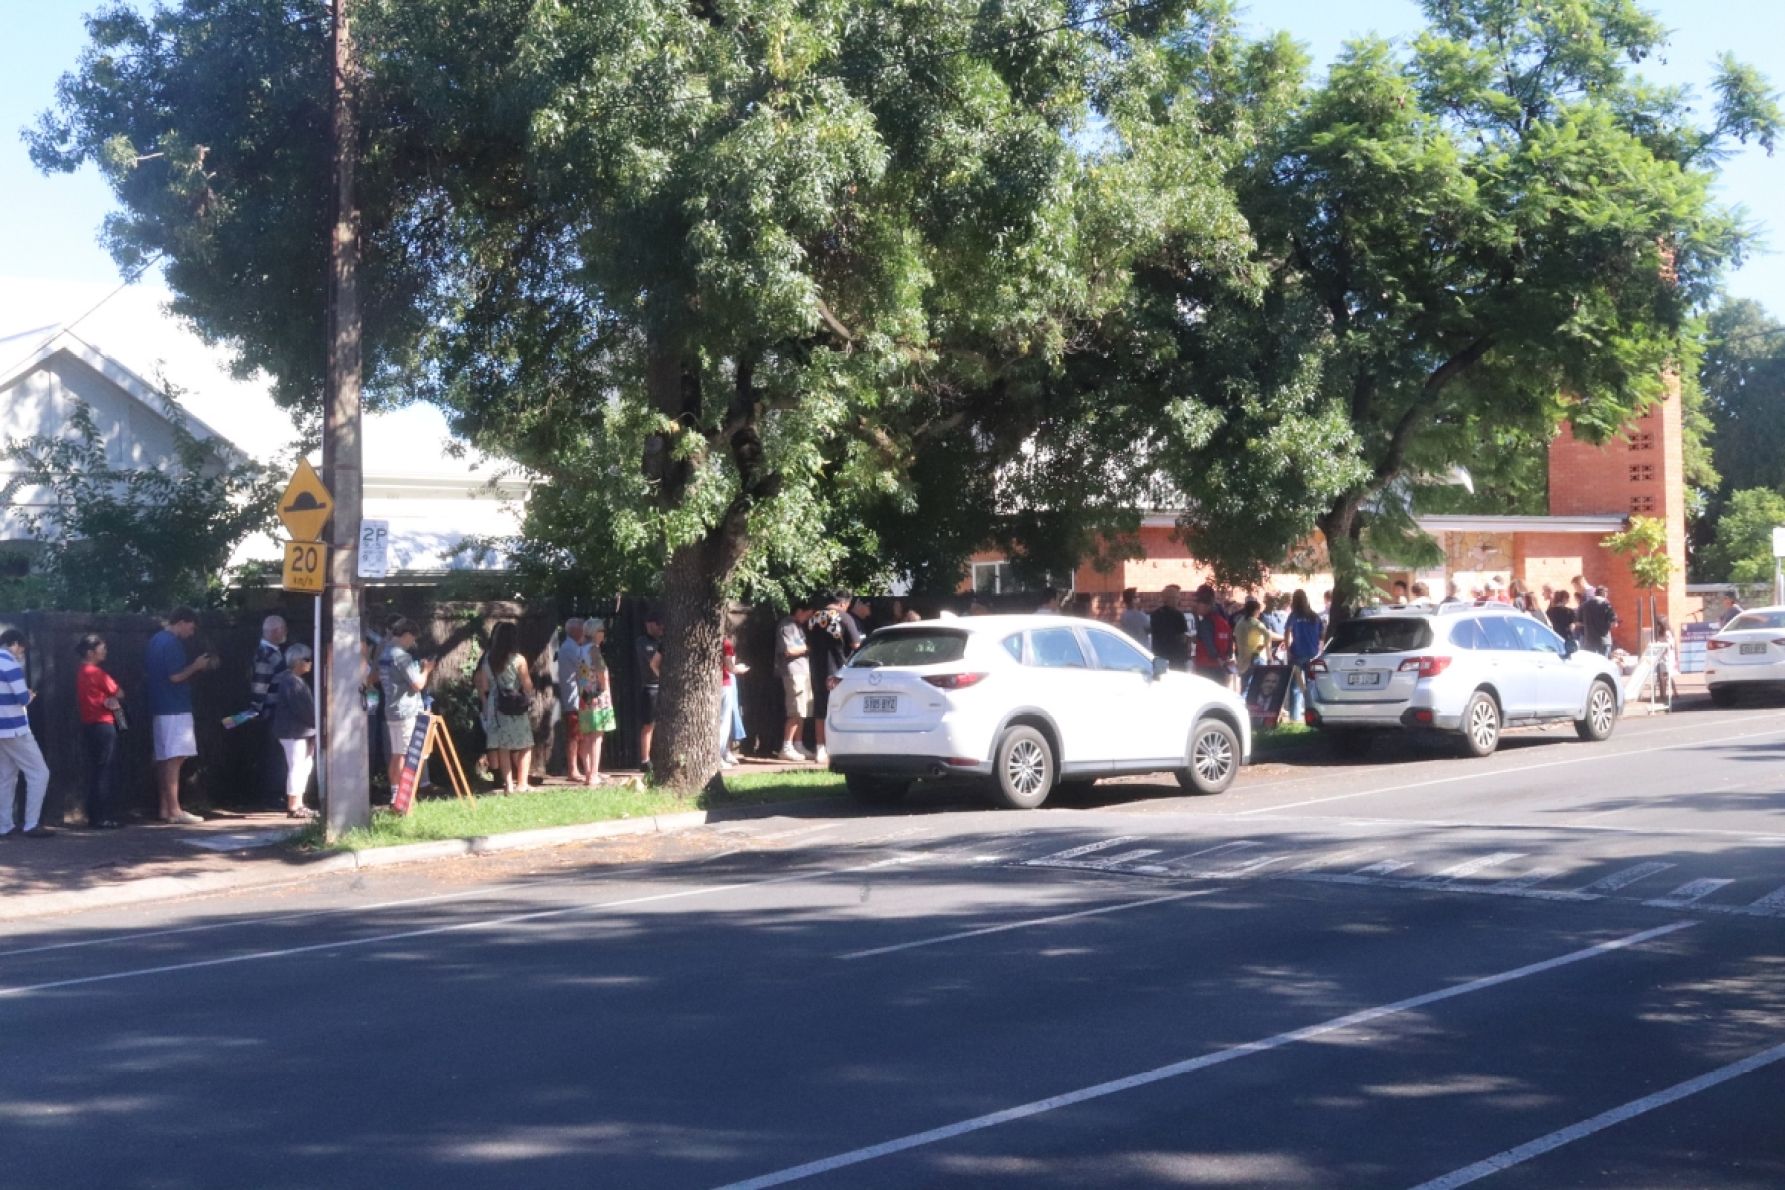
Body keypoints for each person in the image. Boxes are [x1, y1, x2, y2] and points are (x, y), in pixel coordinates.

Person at [145, 607, 217, 825]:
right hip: (175, 706)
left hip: (160, 706)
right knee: (175, 759)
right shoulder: (172, 643)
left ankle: (165, 808)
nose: (191, 633)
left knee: (165, 757)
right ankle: (175, 810)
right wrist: (196, 666)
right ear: (182, 622)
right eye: (191, 627)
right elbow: (176, 676)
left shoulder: (156, 640)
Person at [0, 630, 52, 839]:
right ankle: (31, 823)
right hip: (15, 728)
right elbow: (22, 697)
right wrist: (30, 695)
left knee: (6, 777)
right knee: (39, 773)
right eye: (22, 648)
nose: (22, 653)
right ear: (14, 644)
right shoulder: (10, 665)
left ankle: (4, 825)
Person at [478, 621, 536, 794]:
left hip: (496, 705)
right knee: (525, 744)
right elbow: (528, 686)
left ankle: (508, 784)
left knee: (503, 746)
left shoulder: (488, 659)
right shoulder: (518, 660)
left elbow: (485, 686)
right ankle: (522, 783)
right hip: (514, 704)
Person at [75, 633, 125, 829]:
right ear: (90, 652)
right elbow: (119, 692)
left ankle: (95, 814)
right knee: (105, 769)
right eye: (101, 649)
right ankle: (102, 816)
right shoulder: (96, 672)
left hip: (89, 724)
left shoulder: (81, 672)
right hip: (104, 724)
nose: (105, 652)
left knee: (97, 769)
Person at [378, 618, 434, 790]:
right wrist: (426, 670)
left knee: (396, 754)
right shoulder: (402, 657)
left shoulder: (385, 653)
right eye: (413, 638)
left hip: (392, 709)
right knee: (404, 754)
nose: (413, 642)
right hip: (406, 710)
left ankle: (396, 792)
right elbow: (417, 684)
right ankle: (403, 792)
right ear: (407, 634)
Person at [269, 643, 317, 819]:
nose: (310, 662)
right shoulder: (291, 681)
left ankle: (299, 802)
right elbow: (301, 709)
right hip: (293, 732)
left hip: (300, 732)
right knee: (296, 767)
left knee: (304, 767)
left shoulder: (294, 680)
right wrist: (317, 722)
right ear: (297, 661)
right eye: (307, 659)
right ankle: (294, 804)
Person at [248, 614, 289, 808]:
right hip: (270, 711)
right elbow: (260, 684)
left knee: (275, 753)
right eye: (283, 629)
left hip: (272, 711)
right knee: (274, 755)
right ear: (276, 631)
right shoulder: (267, 654)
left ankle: (273, 794)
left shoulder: (270, 652)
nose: (285, 633)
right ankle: (272, 796)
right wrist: (257, 710)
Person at [807, 593, 853, 766]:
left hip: (817, 668)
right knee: (842, 708)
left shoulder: (813, 618)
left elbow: (809, 643)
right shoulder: (844, 617)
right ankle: (840, 747)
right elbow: (856, 644)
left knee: (820, 709)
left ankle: (820, 748)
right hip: (840, 671)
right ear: (843, 603)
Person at [575, 623, 616, 782]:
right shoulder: (594, 649)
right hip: (597, 696)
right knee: (597, 735)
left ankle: (588, 771)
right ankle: (593, 774)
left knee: (586, 735)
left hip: (584, 696)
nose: (604, 633)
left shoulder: (580, 650)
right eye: (602, 630)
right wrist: (605, 689)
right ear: (595, 633)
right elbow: (602, 673)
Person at [776, 602, 814, 762]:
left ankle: (798, 744)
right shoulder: (787, 625)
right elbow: (789, 650)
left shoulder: (798, 626)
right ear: (799, 611)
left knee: (804, 709)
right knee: (795, 709)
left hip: (803, 670)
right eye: (807, 614)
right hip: (793, 672)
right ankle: (786, 746)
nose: (809, 617)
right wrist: (808, 648)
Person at [1284, 590, 1324, 723]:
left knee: (1295, 686)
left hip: (1297, 654)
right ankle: (1312, 715)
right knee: (1312, 685)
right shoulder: (1314, 616)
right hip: (1313, 654)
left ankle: (1294, 718)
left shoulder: (1293, 616)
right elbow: (1321, 635)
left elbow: (1287, 632)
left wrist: (1288, 650)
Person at [555, 617, 587, 782]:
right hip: (573, 698)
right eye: (583, 629)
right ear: (575, 631)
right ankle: (573, 770)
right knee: (574, 734)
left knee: (580, 734)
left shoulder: (571, 647)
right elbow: (584, 672)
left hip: (575, 696)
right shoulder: (571, 649)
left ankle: (585, 768)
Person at [1190, 584, 1235, 686]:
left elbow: (1208, 642)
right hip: (1221, 666)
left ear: (1206, 604)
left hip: (1207, 666)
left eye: (1198, 602)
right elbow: (1229, 638)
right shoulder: (1223, 618)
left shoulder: (1206, 621)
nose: (1195, 605)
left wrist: (1217, 658)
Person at [635, 611, 664, 771]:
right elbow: (651, 661)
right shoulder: (642, 642)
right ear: (649, 624)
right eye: (658, 624)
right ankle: (645, 760)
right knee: (648, 724)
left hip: (664, 687)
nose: (661, 628)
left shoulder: (664, 641)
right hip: (651, 686)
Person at [718, 626, 749, 767]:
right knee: (724, 722)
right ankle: (717, 755)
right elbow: (730, 666)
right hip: (724, 683)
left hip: (715, 684)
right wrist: (739, 669)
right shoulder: (726, 643)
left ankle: (723, 752)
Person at [1232, 598, 1276, 681]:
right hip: (1255, 657)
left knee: (1245, 686)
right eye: (1259, 610)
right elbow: (1268, 636)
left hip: (1242, 658)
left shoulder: (1240, 623)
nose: (1260, 612)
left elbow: (1235, 636)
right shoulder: (1257, 623)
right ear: (1256, 610)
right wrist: (1269, 656)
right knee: (1256, 684)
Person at [1149, 585, 1191, 671]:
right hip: (1176, 658)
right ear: (1170, 599)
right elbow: (1182, 637)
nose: (1178, 600)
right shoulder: (1178, 615)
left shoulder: (1155, 615)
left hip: (1160, 656)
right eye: (1176, 598)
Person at [1580, 586, 1618, 656]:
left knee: (1591, 664)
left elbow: (1578, 623)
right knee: (1603, 664)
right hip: (1603, 640)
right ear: (1604, 593)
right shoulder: (1606, 604)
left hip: (1589, 641)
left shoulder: (1585, 605)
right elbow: (1614, 624)